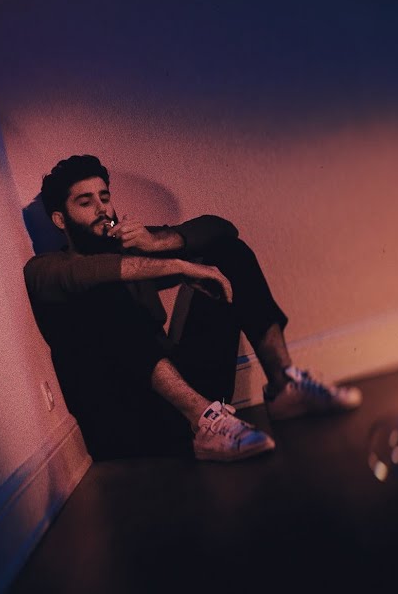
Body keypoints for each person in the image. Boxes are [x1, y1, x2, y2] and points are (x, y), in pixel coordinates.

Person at [23, 154, 362, 462]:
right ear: (60, 219)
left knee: (230, 252)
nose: (102, 209)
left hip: (183, 397)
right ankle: (204, 422)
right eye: (85, 202)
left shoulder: (132, 246)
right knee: (104, 290)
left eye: (105, 197)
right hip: (129, 419)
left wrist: (157, 242)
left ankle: (283, 386)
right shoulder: (45, 270)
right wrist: (181, 266)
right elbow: (92, 273)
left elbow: (221, 228)